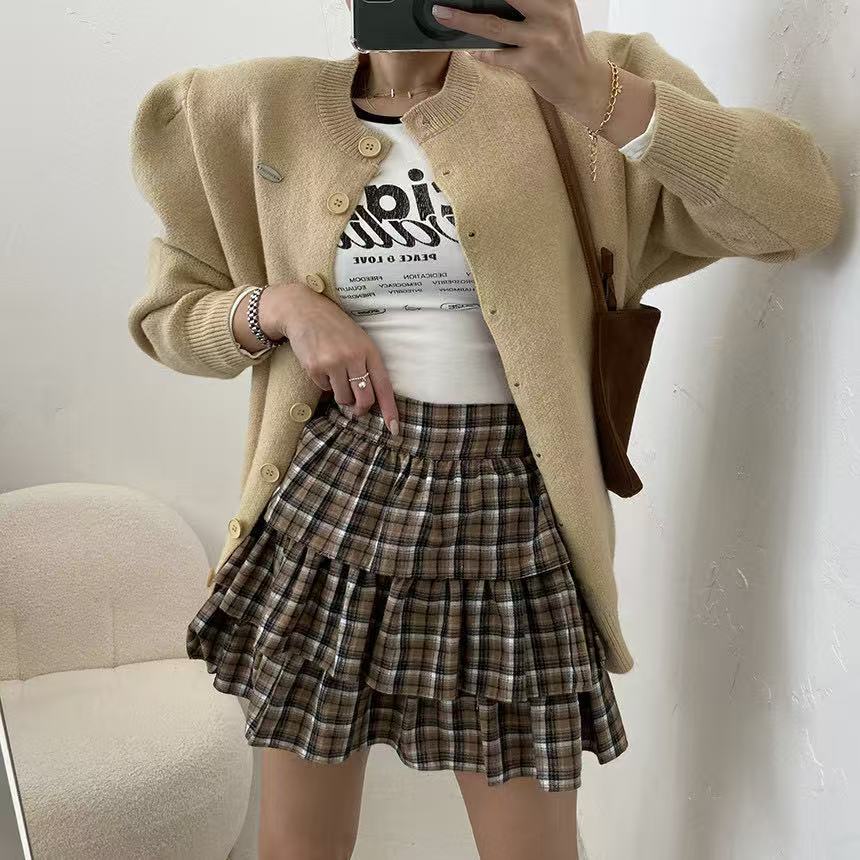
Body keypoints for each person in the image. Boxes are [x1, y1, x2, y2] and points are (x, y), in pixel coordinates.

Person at [127, 1, 842, 857]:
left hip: (509, 511)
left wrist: (593, 91)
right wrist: (276, 308)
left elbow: (799, 211)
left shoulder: (583, 82)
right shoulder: (251, 110)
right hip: (330, 501)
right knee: (299, 848)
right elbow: (169, 317)